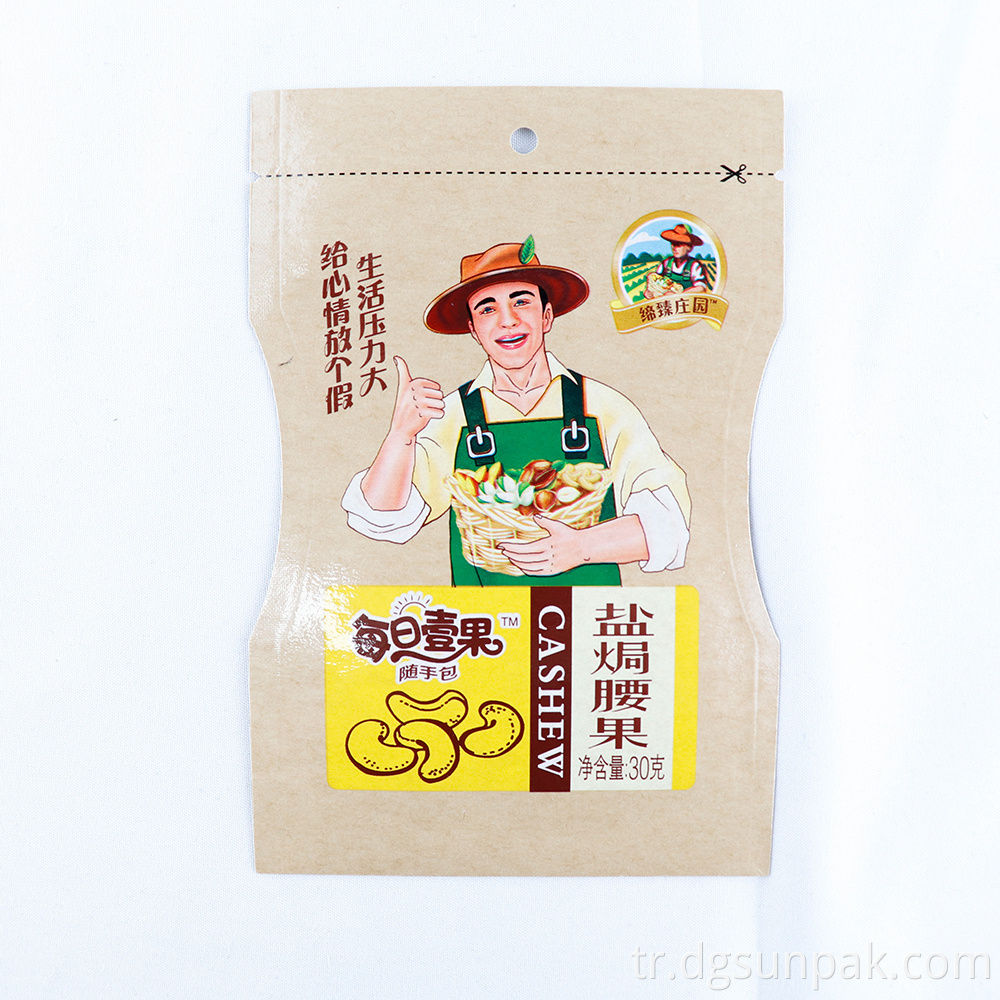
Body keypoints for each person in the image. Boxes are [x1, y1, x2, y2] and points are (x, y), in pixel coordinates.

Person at [342, 240, 691, 586]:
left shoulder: (604, 407)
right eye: (487, 309)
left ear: (546, 316)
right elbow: (381, 518)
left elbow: (669, 521)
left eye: (521, 302)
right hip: (486, 620)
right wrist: (401, 435)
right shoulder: (452, 415)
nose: (508, 321)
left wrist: (581, 547)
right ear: (473, 330)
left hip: (587, 617)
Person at [644, 223, 710, 298]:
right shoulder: (666, 263)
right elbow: (656, 281)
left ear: (689, 247)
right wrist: (649, 292)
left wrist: (679, 296)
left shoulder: (694, 265)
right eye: (673, 244)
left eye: (678, 245)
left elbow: (700, 288)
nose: (674, 248)